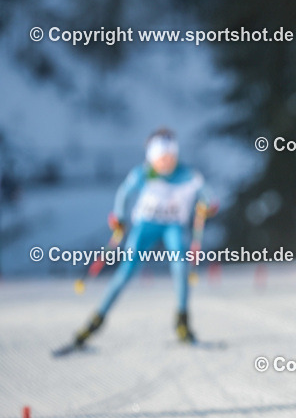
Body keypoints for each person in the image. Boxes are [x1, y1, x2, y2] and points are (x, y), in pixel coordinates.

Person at [67, 128, 215, 350]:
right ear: (152, 158)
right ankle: (95, 322)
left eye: (170, 157)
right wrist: (119, 217)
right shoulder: (144, 174)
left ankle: (182, 322)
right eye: (161, 158)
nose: (166, 163)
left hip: (173, 226)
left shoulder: (188, 175)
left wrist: (208, 206)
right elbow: (123, 193)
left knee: (180, 267)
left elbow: (208, 195)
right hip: (145, 226)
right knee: (126, 271)